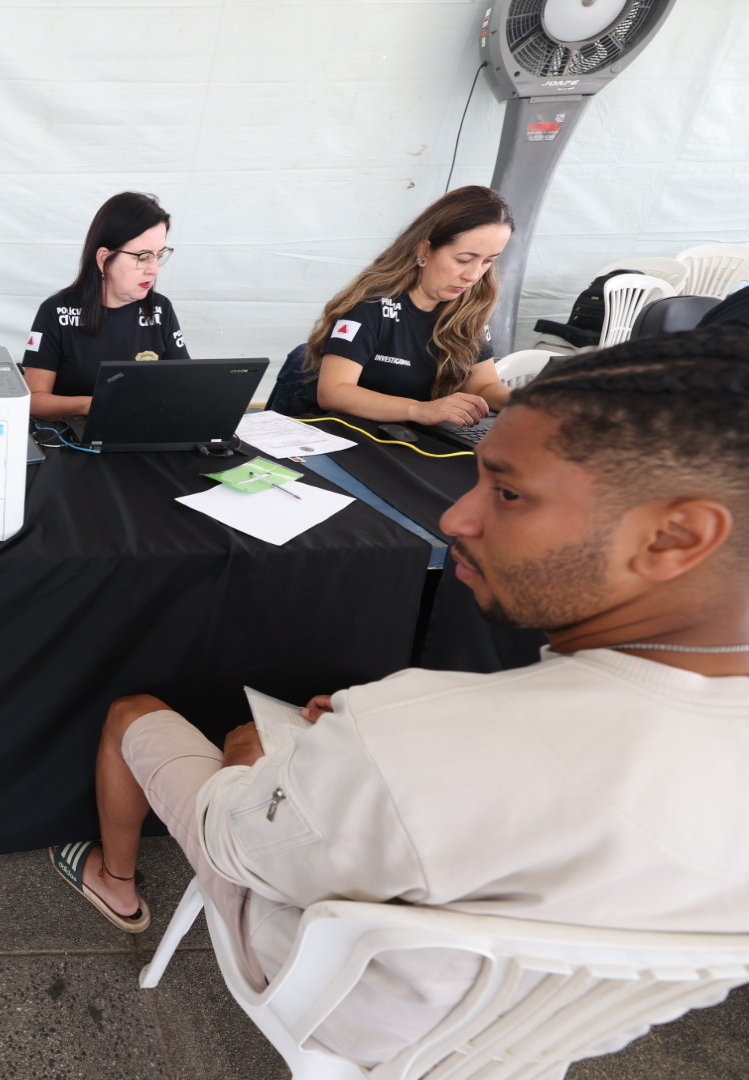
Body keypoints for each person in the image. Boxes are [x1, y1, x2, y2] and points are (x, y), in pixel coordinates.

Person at [51, 328, 749, 1067]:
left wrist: (261, 759)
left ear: (677, 536)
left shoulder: (417, 737)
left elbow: (237, 846)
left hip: (349, 1005)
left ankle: (115, 881)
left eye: (508, 492)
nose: (456, 519)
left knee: (148, 718)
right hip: (540, 1039)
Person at [285, 185, 513, 425]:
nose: (474, 275)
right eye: (464, 260)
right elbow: (334, 392)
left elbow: (484, 386)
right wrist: (419, 410)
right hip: (345, 434)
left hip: (412, 436)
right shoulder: (370, 306)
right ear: (425, 250)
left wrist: (525, 402)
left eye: (488, 261)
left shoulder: (469, 309)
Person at [21, 191, 189, 419]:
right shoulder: (56, 312)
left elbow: (184, 384)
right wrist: (91, 405)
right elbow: (34, 399)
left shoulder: (161, 309)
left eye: (159, 255)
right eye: (143, 257)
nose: (154, 270)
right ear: (104, 258)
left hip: (144, 429)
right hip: (76, 434)